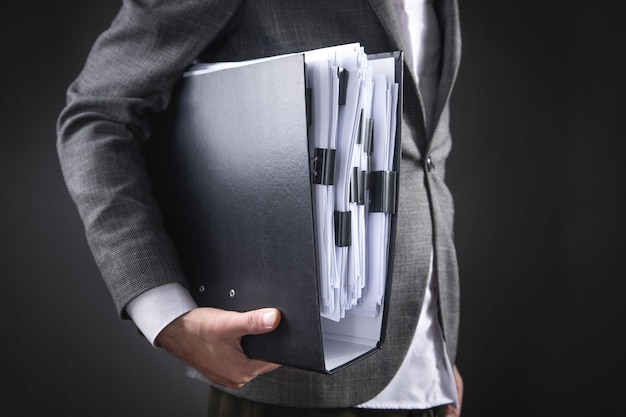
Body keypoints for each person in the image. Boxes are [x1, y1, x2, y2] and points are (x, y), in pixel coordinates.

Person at [57, 0, 464, 416]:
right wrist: (167, 315)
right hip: (287, 381)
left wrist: (435, 353)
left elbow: (422, 155)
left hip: (427, 380)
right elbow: (98, 113)